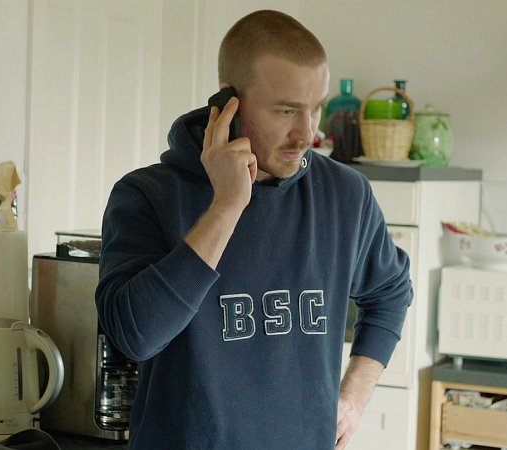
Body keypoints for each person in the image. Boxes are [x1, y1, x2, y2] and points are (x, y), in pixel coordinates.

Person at [95, 9, 412, 450]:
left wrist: (354, 396)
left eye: (315, 109)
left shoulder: (345, 194)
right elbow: (135, 336)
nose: (307, 133)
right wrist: (226, 206)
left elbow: (391, 292)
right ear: (229, 102)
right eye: (286, 110)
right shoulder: (147, 195)